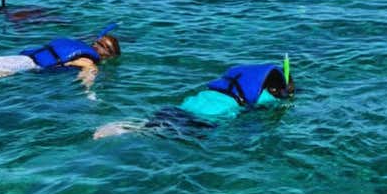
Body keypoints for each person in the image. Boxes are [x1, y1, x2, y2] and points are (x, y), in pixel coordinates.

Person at [94, 58, 295, 139]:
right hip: (206, 118)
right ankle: (127, 131)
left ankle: (126, 127)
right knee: (160, 134)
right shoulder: (266, 97)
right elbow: (273, 106)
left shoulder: (239, 80)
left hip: (188, 104)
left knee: (154, 125)